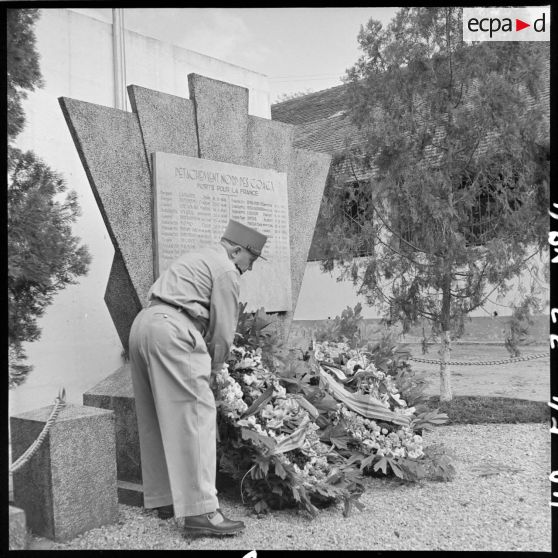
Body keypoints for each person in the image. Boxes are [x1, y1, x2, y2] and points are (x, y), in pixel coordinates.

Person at [128, 219, 267, 537]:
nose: (250, 267)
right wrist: (217, 372)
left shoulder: (201, 255)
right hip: (174, 332)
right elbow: (221, 333)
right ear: (236, 250)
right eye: (252, 259)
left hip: (144, 325)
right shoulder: (227, 269)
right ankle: (202, 512)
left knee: (156, 416)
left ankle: (167, 499)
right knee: (197, 416)